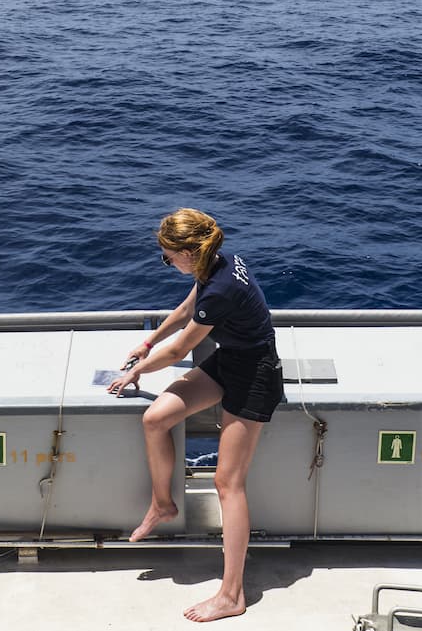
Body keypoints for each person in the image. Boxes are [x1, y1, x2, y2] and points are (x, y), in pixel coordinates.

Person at [107, 208, 284, 623]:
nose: (167, 263)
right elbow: (189, 308)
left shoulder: (221, 287)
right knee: (155, 419)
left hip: (255, 377)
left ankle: (232, 594)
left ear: (189, 252)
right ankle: (163, 504)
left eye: (168, 257)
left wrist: (137, 371)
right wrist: (148, 341)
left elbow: (180, 352)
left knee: (228, 483)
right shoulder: (216, 263)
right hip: (231, 362)